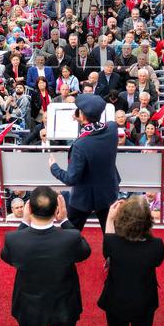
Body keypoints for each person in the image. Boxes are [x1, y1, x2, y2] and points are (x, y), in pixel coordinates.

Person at [0, 185, 91, 326]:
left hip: (28, 308)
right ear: (56, 209)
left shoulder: (13, 239)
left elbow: (6, 256)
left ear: (28, 209)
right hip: (64, 306)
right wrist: (64, 221)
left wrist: (24, 222)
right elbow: (85, 251)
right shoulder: (71, 237)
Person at [48, 93, 120, 231]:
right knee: (111, 232)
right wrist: (82, 119)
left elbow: (71, 178)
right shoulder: (112, 129)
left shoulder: (80, 145)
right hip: (108, 192)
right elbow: (103, 126)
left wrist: (54, 168)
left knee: (71, 233)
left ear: (82, 116)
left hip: (83, 197)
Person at [98, 196, 164, 326]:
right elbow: (157, 261)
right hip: (145, 301)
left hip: (116, 301)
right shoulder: (157, 245)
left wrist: (110, 218)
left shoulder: (111, 243)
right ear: (148, 219)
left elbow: (109, 240)